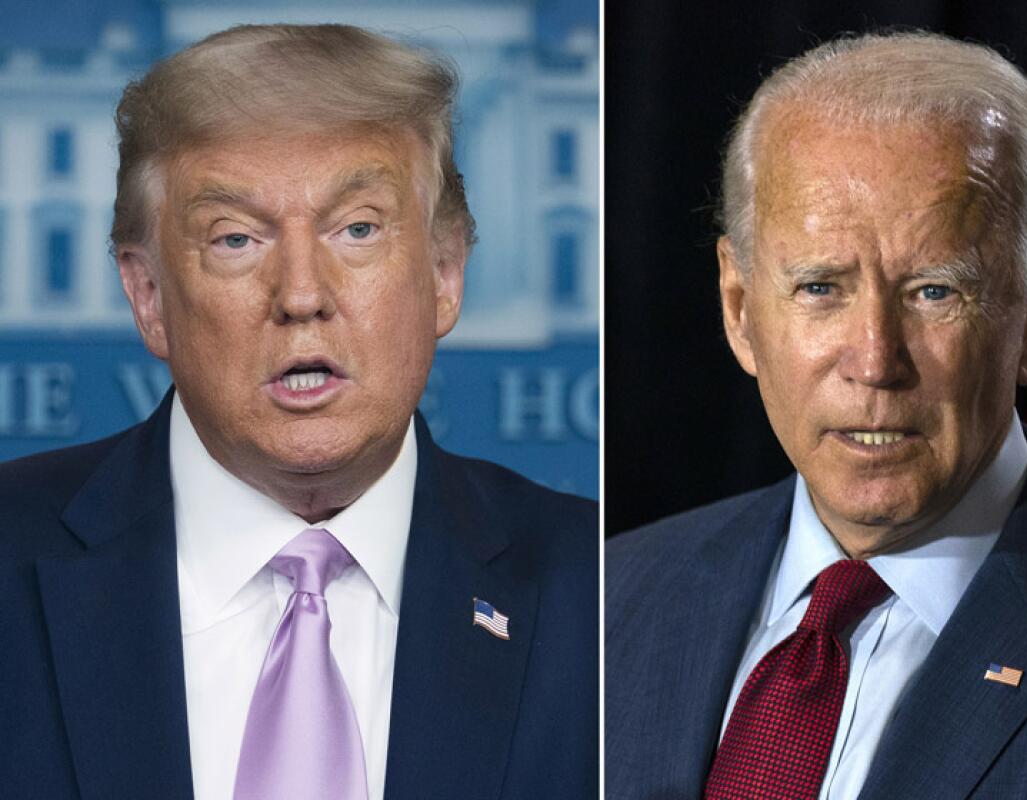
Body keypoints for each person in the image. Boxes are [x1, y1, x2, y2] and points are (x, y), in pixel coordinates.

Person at [0, 24, 597, 800]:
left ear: (446, 272)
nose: (303, 295)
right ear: (148, 295)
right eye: (237, 238)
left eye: (357, 229)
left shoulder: (596, 590)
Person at [606, 31, 1027, 800]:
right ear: (740, 309)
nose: (876, 359)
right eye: (821, 287)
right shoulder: (611, 602)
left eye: (934, 291)